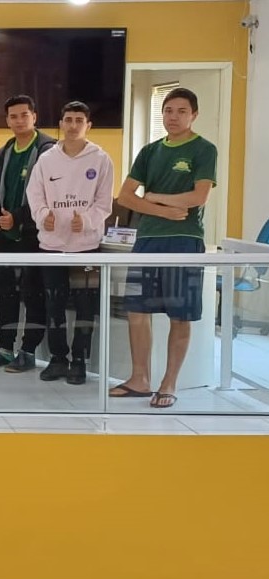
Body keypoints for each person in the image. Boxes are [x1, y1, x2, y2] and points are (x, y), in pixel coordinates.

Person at [114, 87, 217, 408]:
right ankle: (139, 379)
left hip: (184, 241)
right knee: (136, 311)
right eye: (168, 110)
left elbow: (198, 197)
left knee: (179, 314)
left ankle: (168, 383)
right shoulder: (149, 151)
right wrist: (161, 209)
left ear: (194, 115)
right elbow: (125, 197)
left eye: (181, 111)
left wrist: (154, 197)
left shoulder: (203, 150)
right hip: (146, 240)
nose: (173, 117)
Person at [27, 101, 114, 385]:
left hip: (86, 248)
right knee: (53, 305)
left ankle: (79, 361)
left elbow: (104, 202)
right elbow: (35, 194)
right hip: (51, 247)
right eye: (68, 119)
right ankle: (58, 358)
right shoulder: (47, 159)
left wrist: (87, 220)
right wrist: (42, 216)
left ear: (88, 125)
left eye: (79, 120)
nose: (73, 125)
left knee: (85, 307)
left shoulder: (101, 159)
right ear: (60, 124)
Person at [0, 95, 55, 371]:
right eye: (13, 116)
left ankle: (28, 350)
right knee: (4, 292)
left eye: (24, 115)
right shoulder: (4, 152)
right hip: (4, 233)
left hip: (35, 234)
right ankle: (5, 348)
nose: (19, 121)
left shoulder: (48, 150)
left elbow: (49, 194)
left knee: (33, 293)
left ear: (34, 116)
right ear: (7, 120)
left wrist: (19, 217)